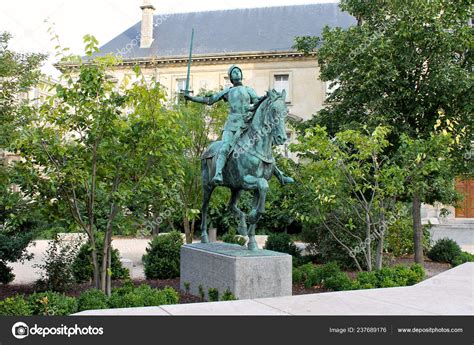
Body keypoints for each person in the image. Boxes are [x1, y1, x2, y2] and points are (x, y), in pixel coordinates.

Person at [185, 65, 293, 185]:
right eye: (233, 72)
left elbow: (257, 103)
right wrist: (191, 98)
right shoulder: (228, 91)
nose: (236, 73)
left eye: (238, 71)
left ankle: (280, 175)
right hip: (232, 125)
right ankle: (218, 173)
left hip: (247, 124)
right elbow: (210, 100)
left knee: (262, 148)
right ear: (230, 77)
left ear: (241, 75)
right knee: (225, 147)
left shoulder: (248, 90)